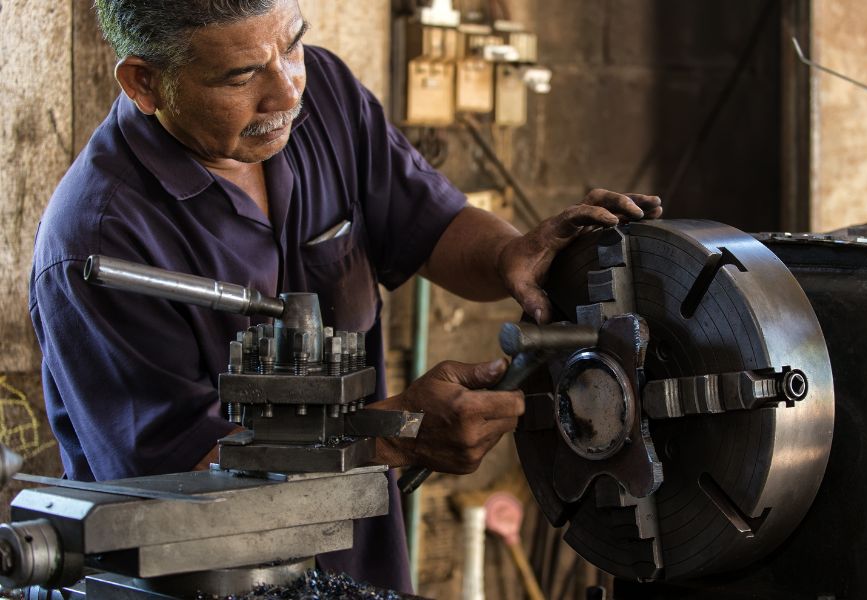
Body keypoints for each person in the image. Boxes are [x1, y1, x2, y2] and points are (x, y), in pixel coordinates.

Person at [28, 0, 662, 592]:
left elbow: (431, 226)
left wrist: (509, 254)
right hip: (207, 580)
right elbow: (179, 489)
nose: (285, 92)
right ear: (144, 82)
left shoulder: (323, 95)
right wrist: (392, 436)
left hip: (360, 559)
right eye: (240, 75)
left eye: (293, 47)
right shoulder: (98, 242)